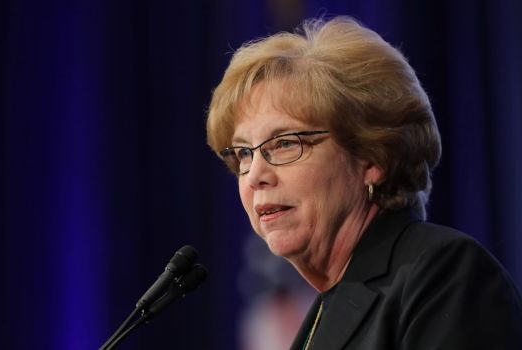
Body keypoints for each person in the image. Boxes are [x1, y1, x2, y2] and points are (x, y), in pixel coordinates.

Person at [206, 16, 522, 349]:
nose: (255, 175)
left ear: (371, 157)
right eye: (243, 153)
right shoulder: (323, 313)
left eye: (285, 143)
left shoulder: (444, 276)